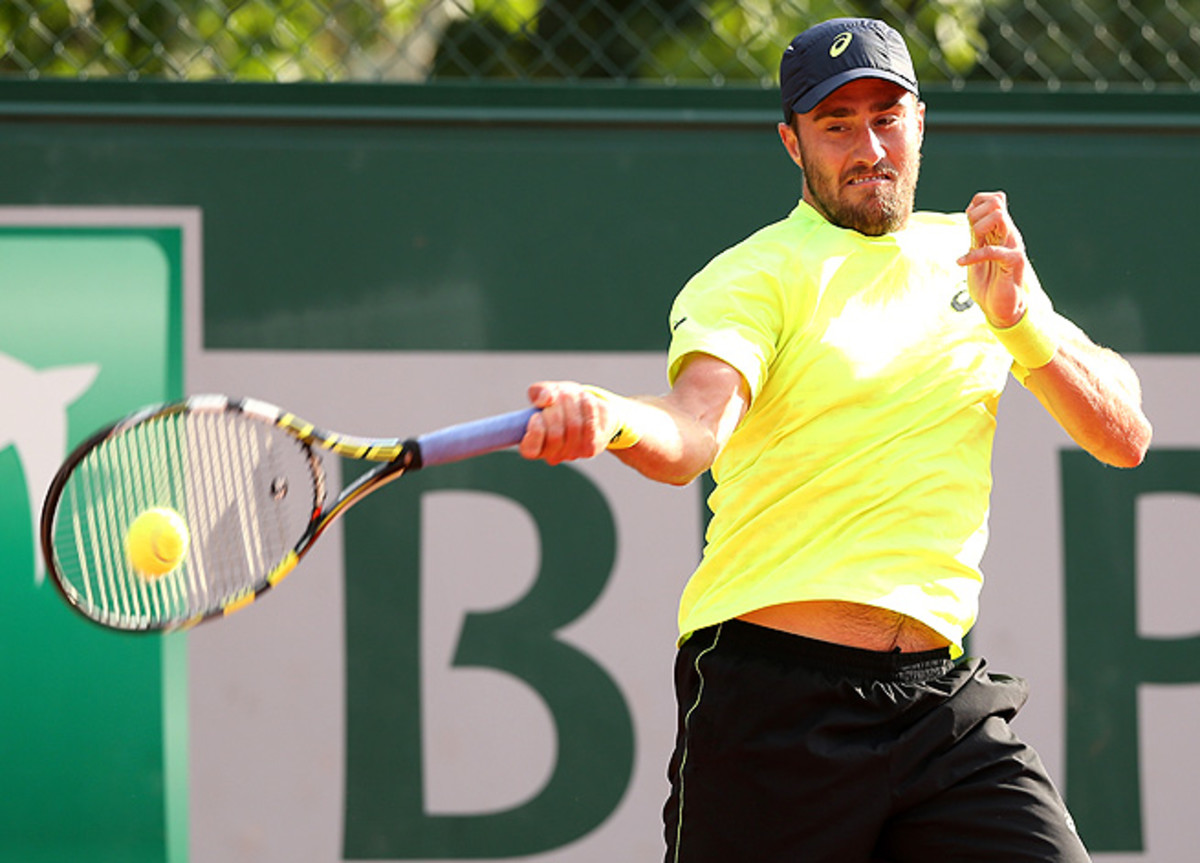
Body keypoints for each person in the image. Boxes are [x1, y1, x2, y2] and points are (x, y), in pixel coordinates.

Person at [518, 16, 1152, 863]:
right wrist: (613, 417)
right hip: (775, 706)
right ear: (793, 142)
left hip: (942, 707)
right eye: (836, 124)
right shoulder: (754, 275)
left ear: (920, 122)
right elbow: (692, 431)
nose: (869, 146)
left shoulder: (977, 262)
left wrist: (1024, 320)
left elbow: (1124, 436)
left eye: (886, 117)